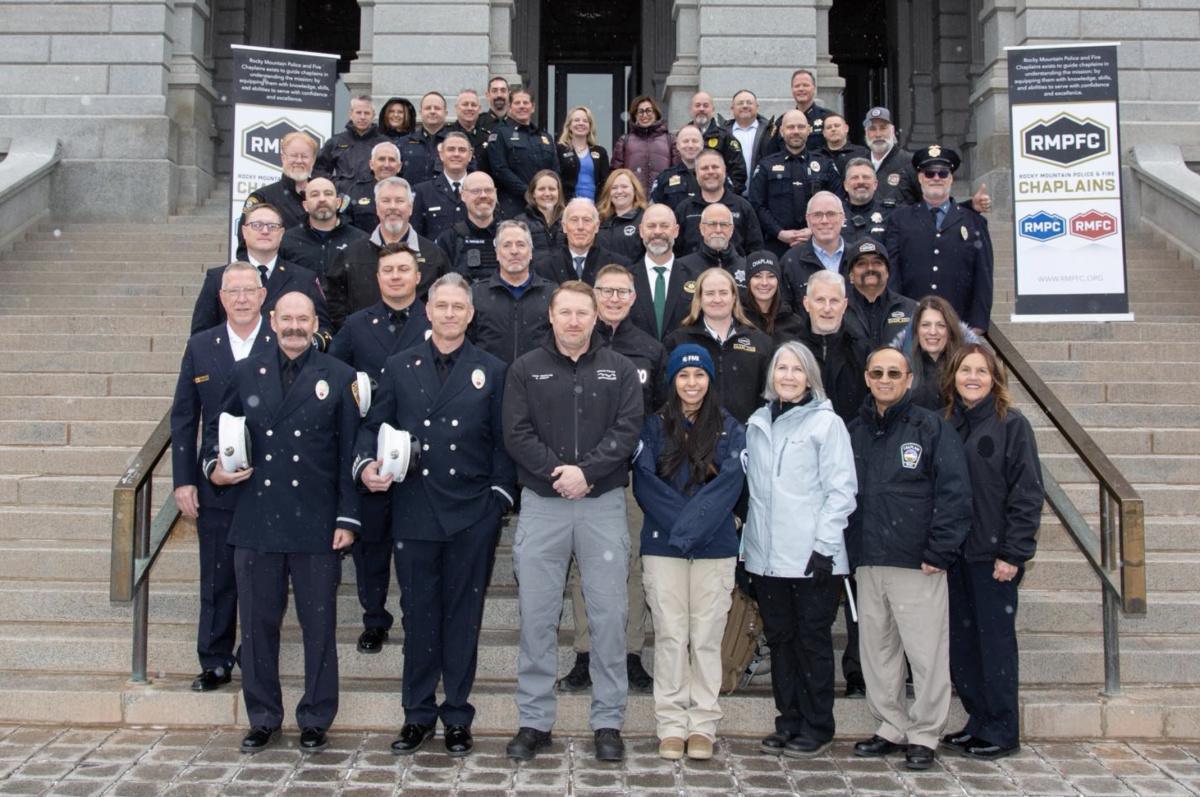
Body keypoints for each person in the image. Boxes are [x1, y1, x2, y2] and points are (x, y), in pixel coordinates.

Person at [357, 272, 515, 758]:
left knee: (463, 616)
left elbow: (502, 444)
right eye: (441, 306)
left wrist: (498, 500)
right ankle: (418, 714)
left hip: (471, 513)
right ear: (429, 311)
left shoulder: (492, 368)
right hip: (416, 510)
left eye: (457, 307)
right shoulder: (400, 365)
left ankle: (458, 716)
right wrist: (366, 466)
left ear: (470, 314)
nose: (449, 314)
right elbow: (373, 427)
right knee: (419, 615)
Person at [206, 290, 361, 754]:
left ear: (316, 324)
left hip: (316, 522)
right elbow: (220, 429)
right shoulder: (244, 371)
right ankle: (263, 716)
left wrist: (348, 517)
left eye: (303, 319)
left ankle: (315, 716)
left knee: (319, 627)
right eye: (287, 318)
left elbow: (350, 452)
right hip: (256, 519)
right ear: (272, 320)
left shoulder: (340, 376)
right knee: (256, 627)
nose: (295, 326)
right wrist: (214, 466)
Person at [502, 281, 643, 763]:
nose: (575, 321)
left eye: (583, 312)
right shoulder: (526, 369)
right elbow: (515, 432)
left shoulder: (619, 369)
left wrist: (588, 473)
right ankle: (534, 720)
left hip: (602, 502)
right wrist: (557, 474)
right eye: (566, 312)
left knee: (608, 617)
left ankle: (608, 721)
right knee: (538, 617)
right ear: (552, 315)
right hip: (543, 503)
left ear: (596, 315)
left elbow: (627, 431)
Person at [846, 346, 972, 771]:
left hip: (917, 561)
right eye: (877, 372)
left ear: (908, 380)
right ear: (866, 377)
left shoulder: (931, 428)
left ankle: (924, 734)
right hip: (869, 559)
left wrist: (940, 549)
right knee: (877, 653)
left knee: (925, 654)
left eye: (893, 373)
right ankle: (891, 725)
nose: (885, 379)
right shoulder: (854, 431)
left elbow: (954, 494)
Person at [633, 343, 746, 761]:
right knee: (670, 635)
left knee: (705, 639)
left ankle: (702, 724)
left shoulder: (731, 429)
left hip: (714, 548)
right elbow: (645, 485)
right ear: (673, 380)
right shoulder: (652, 427)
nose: (692, 383)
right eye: (684, 375)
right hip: (664, 548)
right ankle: (670, 723)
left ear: (710, 381)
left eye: (699, 376)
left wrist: (694, 528)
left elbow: (729, 485)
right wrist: (685, 529)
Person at [744, 340, 857, 758]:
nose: (788, 376)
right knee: (782, 642)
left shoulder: (827, 425)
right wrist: (748, 554)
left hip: (812, 558)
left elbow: (841, 491)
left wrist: (825, 547)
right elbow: (756, 496)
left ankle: (817, 725)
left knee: (812, 642)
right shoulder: (758, 424)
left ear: (810, 376)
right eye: (780, 368)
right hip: (768, 560)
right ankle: (788, 720)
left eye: (796, 369)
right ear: (771, 376)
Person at [558, 264, 665, 697]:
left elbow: (656, 415)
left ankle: (632, 653)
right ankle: (585, 652)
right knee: (587, 567)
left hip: (634, 476)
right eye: (607, 291)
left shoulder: (650, 349)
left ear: (634, 297)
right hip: (588, 476)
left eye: (623, 291)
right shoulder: (578, 344)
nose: (615, 298)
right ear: (594, 296)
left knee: (633, 567)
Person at [171, 261, 274, 694]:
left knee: (265, 578)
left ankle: (254, 657)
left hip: (272, 481)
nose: (242, 298)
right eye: (233, 292)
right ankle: (214, 659)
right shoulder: (201, 345)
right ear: (221, 298)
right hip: (215, 479)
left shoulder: (283, 339)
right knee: (217, 574)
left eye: (249, 290)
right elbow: (183, 416)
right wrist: (184, 479)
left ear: (263, 296)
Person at [328, 243, 432, 655]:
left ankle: (414, 616)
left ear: (417, 276)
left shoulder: (435, 318)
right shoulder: (356, 325)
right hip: (369, 443)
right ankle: (374, 619)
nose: (395, 277)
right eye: (388, 270)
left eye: (403, 270)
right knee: (371, 544)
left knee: (414, 545)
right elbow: (335, 377)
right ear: (377, 277)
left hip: (419, 448)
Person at [942, 343, 1043, 761]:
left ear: (994, 378)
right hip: (955, 556)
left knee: (995, 645)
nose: (972, 377)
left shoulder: (1011, 425)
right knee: (963, 646)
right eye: (965, 370)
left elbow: (1026, 494)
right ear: (953, 377)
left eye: (981, 371)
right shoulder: (946, 424)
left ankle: (1002, 729)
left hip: (993, 558)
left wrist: (1013, 553)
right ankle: (978, 720)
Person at [191, 203, 331, 349]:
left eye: (272, 226)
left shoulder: (304, 278)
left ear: (282, 233)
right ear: (244, 232)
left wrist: (304, 345)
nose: (265, 231)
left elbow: (324, 328)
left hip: (287, 366)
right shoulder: (218, 278)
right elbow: (201, 333)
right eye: (257, 225)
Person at [886, 145, 994, 332]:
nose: (936, 178)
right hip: (913, 323)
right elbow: (893, 273)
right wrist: (898, 318)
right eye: (929, 173)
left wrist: (977, 324)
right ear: (920, 178)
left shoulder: (973, 221)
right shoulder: (900, 219)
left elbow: (983, 276)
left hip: (958, 324)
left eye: (943, 174)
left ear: (951, 178)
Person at [325, 176, 450, 327]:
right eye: (386, 201)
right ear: (377, 208)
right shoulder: (351, 255)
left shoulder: (434, 255)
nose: (393, 207)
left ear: (410, 207)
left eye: (399, 201)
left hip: (419, 345)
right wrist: (356, 333)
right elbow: (335, 303)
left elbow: (447, 301)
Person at [664, 267, 773, 424]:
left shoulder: (760, 343)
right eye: (709, 293)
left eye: (723, 293)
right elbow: (668, 394)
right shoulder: (678, 341)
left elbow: (768, 397)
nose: (717, 299)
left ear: (734, 297)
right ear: (699, 299)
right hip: (693, 439)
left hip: (745, 437)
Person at [750, 110, 840, 258]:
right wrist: (779, 232)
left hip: (819, 244)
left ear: (809, 130)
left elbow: (839, 201)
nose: (796, 131)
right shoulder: (766, 166)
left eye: (800, 127)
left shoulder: (825, 164)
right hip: (776, 245)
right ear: (782, 131)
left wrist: (813, 230)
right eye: (791, 127)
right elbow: (757, 204)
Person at [469, 220, 556, 364]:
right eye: (507, 245)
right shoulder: (476, 294)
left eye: (521, 244)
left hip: (538, 380)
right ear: (497, 253)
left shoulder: (552, 294)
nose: (514, 251)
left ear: (531, 252)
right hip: (489, 380)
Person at [796, 270, 870, 425]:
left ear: (844, 306)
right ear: (806, 303)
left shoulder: (862, 351)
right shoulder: (792, 352)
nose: (827, 308)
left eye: (834, 301)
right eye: (820, 300)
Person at [627, 204, 700, 342]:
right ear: (641, 231)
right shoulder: (625, 280)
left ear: (676, 231)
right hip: (637, 360)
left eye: (664, 226)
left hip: (680, 358)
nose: (658, 231)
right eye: (651, 226)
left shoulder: (696, 279)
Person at [891, 294, 976, 411]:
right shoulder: (898, 367)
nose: (932, 332)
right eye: (925, 325)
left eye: (941, 325)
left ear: (950, 329)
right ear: (916, 329)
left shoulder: (971, 366)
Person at [674, 149, 764, 257]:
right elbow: (676, 251)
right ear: (696, 173)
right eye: (704, 168)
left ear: (725, 170)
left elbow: (756, 251)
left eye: (715, 167)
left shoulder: (743, 207)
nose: (710, 171)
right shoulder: (684, 209)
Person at [487, 90, 560, 219]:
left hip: (543, 205)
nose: (522, 106)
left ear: (533, 107)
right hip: (513, 204)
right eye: (517, 103)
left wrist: (543, 191)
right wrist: (527, 192)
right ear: (510, 107)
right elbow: (499, 169)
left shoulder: (544, 137)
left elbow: (554, 170)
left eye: (526, 102)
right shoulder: (499, 133)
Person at [279, 177, 367, 280]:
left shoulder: (360, 240)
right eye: (315, 195)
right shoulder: (287, 240)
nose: (322, 199)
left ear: (338, 203)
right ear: (305, 206)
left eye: (328, 194)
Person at [239, 131, 315, 244]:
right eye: (294, 155)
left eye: (304, 156)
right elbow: (245, 243)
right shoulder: (262, 197)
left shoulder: (324, 198)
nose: (299, 161)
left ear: (313, 160)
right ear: (283, 158)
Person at [533, 198, 630, 285]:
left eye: (586, 220)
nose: (580, 227)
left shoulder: (618, 266)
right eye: (574, 220)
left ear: (596, 226)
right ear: (564, 226)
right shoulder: (543, 268)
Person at [779, 192, 849, 311]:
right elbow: (785, 311)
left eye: (831, 214)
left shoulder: (858, 258)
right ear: (808, 219)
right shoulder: (791, 261)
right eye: (817, 215)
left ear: (842, 218)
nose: (824, 220)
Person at [843, 237, 916, 350]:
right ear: (851, 275)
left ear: (887, 272)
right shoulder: (839, 309)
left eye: (877, 262)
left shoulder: (911, 310)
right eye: (861, 264)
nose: (870, 268)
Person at [435, 172, 501, 283]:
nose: (483, 195)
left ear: (495, 194)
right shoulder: (449, 239)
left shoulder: (511, 235)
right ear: (463, 196)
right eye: (476, 191)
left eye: (488, 190)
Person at [315, 95, 388, 191]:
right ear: (351, 114)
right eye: (358, 112)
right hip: (343, 198)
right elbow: (318, 169)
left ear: (373, 115)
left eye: (367, 113)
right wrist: (336, 184)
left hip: (374, 197)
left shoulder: (384, 143)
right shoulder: (336, 141)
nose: (362, 117)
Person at [411, 131, 472, 241]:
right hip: (436, 256)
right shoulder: (422, 191)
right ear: (441, 155)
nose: (456, 154)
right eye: (451, 149)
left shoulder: (481, 190)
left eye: (462, 150)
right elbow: (416, 235)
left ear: (470, 156)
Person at [611, 95, 678, 195]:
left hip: (662, 199)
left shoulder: (670, 139)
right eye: (640, 111)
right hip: (633, 200)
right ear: (635, 116)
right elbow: (615, 174)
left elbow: (677, 172)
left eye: (648, 111)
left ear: (656, 114)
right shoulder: (624, 141)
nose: (644, 115)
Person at [687, 91, 747, 194]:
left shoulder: (725, 137)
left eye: (706, 105)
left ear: (713, 110)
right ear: (691, 110)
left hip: (719, 198)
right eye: (697, 105)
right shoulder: (682, 137)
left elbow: (738, 172)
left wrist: (727, 195)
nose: (701, 109)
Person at [741, 251, 805, 344]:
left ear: (778, 281)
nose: (764, 283)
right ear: (748, 281)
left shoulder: (793, 322)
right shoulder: (737, 319)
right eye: (757, 276)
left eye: (771, 276)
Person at [862, 106, 919, 207]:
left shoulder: (910, 162)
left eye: (883, 128)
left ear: (892, 130)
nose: (878, 134)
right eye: (872, 129)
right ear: (866, 133)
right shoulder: (859, 164)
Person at [676, 203, 746, 284]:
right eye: (712, 224)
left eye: (724, 224)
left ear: (731, 230)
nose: (718, 230)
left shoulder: (746, 268)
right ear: (702, 228)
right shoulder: (682, 267)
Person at [344, 142, 403, 233]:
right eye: (381, 159)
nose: (386, 165)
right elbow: (345, 227)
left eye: (392, 160)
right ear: (371, 164)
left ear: (399, 167)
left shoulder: (409, 193)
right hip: (363, 246)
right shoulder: (355, 191)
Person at [557, 106, 610, 201]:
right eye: (576, 120)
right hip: (567, 206)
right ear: (569, 125)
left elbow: (605, 183)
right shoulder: (559, 150)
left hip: (594, 207)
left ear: (590, 126)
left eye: (585, 121)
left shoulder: (600, 152)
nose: (581, 123)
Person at [649, 125, 706, 212]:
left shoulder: (714, 174)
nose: (690, 145)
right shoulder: (664, 178)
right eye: (685, 141)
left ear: (702, 144)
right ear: (678, 145)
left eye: (695, 141)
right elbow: (653, 211)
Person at [399, 91, 450, 186]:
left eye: (437, 108)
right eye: (428, 108)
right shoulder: (403, 143)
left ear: (445, 113)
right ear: (420, 112)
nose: (432, 111)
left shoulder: (456, 144)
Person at [596, 168, 648, 262]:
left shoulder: (645, 219)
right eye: (614, 188)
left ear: (635, 189)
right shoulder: (599, 219)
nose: (619, 191)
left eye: (624, 186)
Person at [723, 89, 773, 185]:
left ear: (757, 107)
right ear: (732, 108)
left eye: (749, 103)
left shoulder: (770, 132)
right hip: (730, 194)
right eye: (740, 103)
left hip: (762, 193)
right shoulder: (723, 133)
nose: (745, 106)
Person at [841, 158, 893, 242]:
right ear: (845, 185)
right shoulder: (835, 214)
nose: (861, 181)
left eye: (866, 177)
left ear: (875, 184)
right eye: (854, 177)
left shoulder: (891, 214)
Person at [514, 170, 564, 254]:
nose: (547, 193)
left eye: (552, 189)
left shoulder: (569, 221)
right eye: (541, 189)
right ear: (533, 193)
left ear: (559, 193)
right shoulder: (520, 223)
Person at [817, 111, 869, 177]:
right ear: (824, 133)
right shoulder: (816, 156)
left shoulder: (862, 153)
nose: (833, 129)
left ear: (846, 128)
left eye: (837, 126)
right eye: (829, 127)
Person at [449, 89, 488, 154]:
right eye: (465, 104)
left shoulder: (486, 137)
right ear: (456, 108)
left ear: (479, 109)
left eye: (473, 105)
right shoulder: (446, 135)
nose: (469, 108)